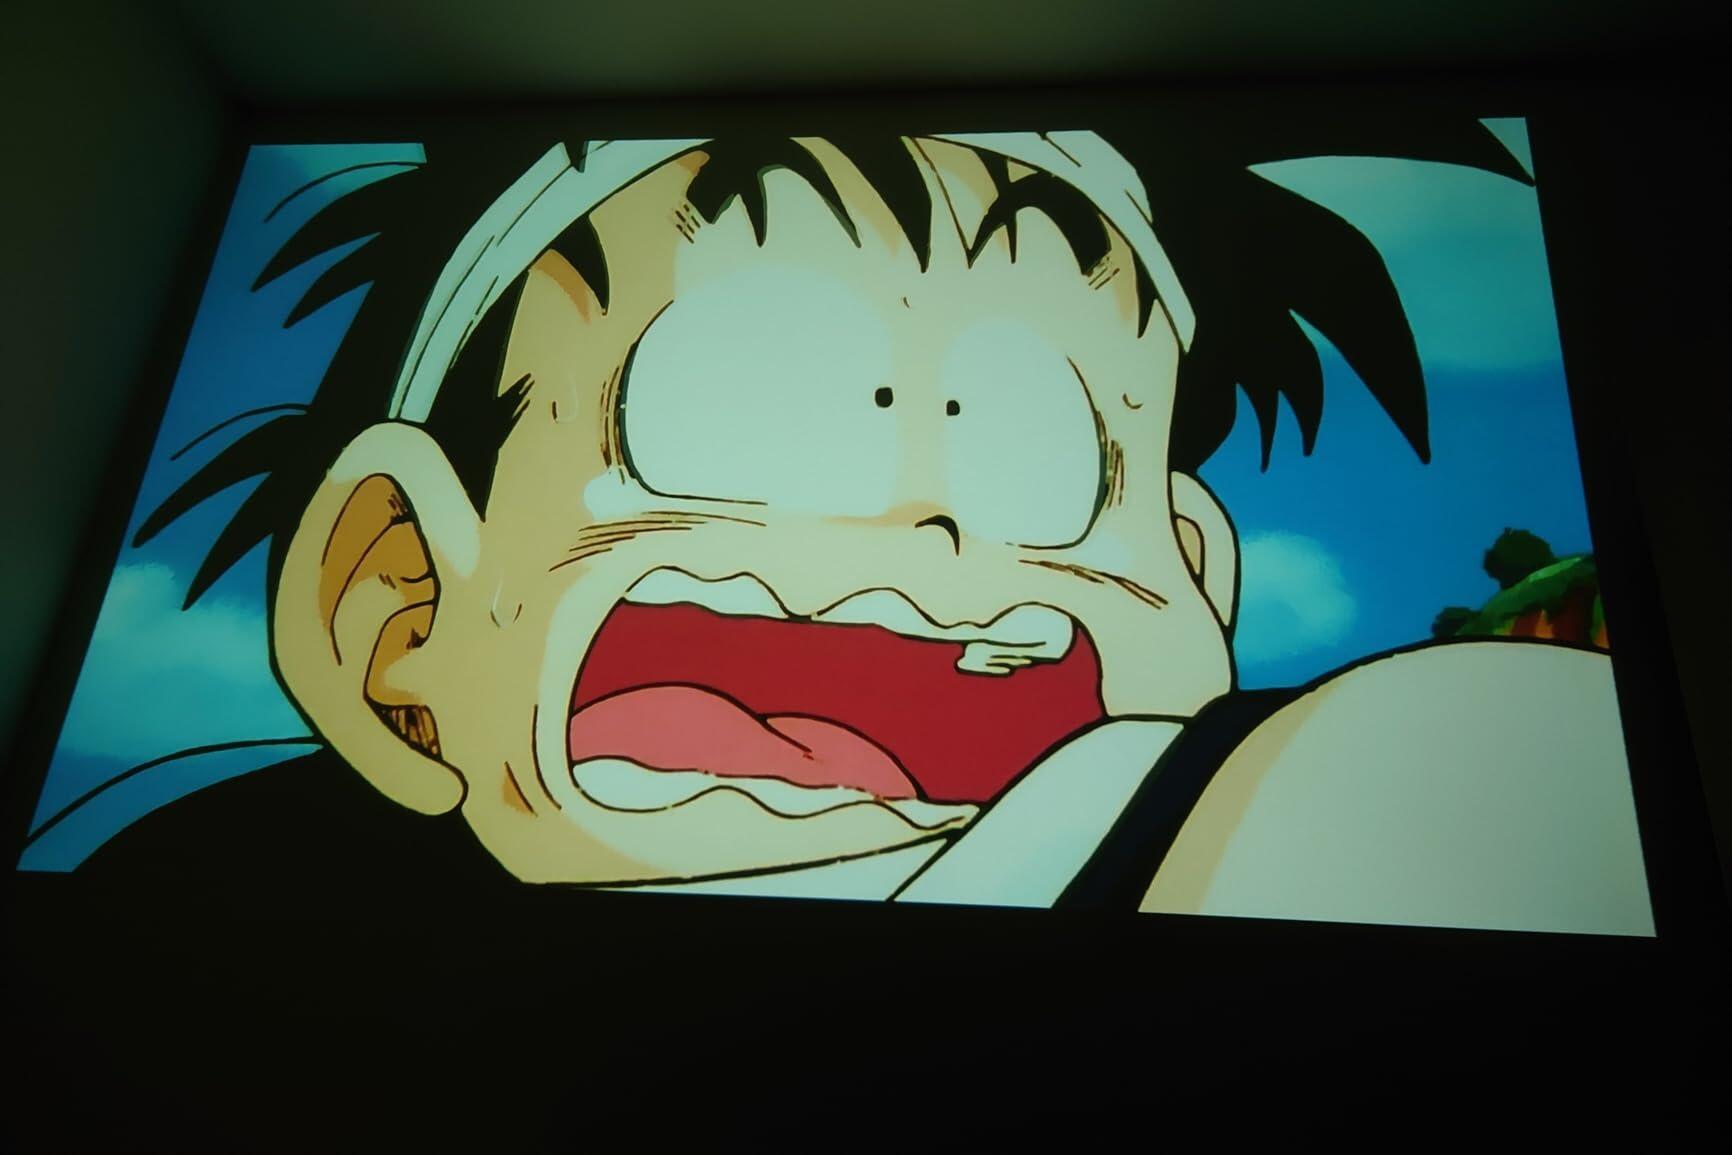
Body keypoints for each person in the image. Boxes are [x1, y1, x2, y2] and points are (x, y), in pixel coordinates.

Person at [82, 124, 1652, 935]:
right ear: (396, 610)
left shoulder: (1229, 823)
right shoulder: (207, 950)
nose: (927, 523)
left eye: (1045, 450)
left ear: (1196, 572)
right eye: (741, 417)